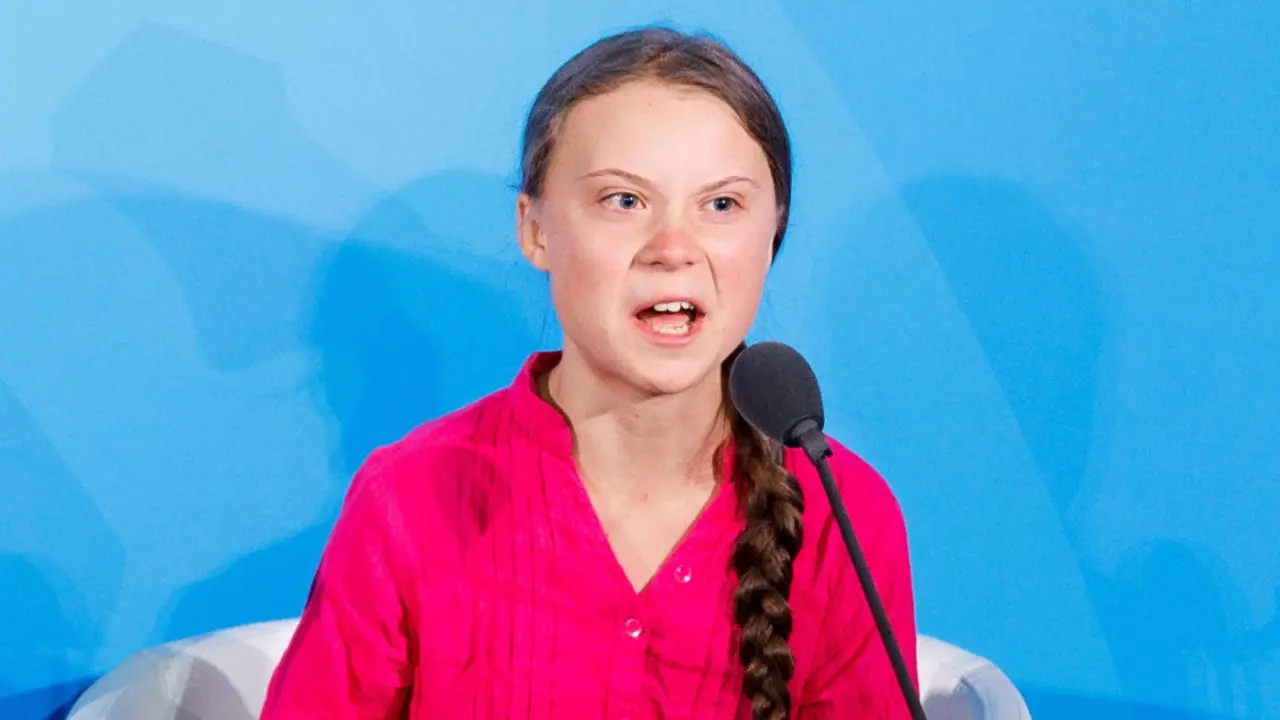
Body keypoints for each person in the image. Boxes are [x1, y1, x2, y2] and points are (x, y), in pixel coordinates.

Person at [261, 25, 916, 719]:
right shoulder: (411, 497)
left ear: (772, 231)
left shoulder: (846, 512)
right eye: (624, 201)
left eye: (721, 205)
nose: (673, 248)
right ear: (535, 229)